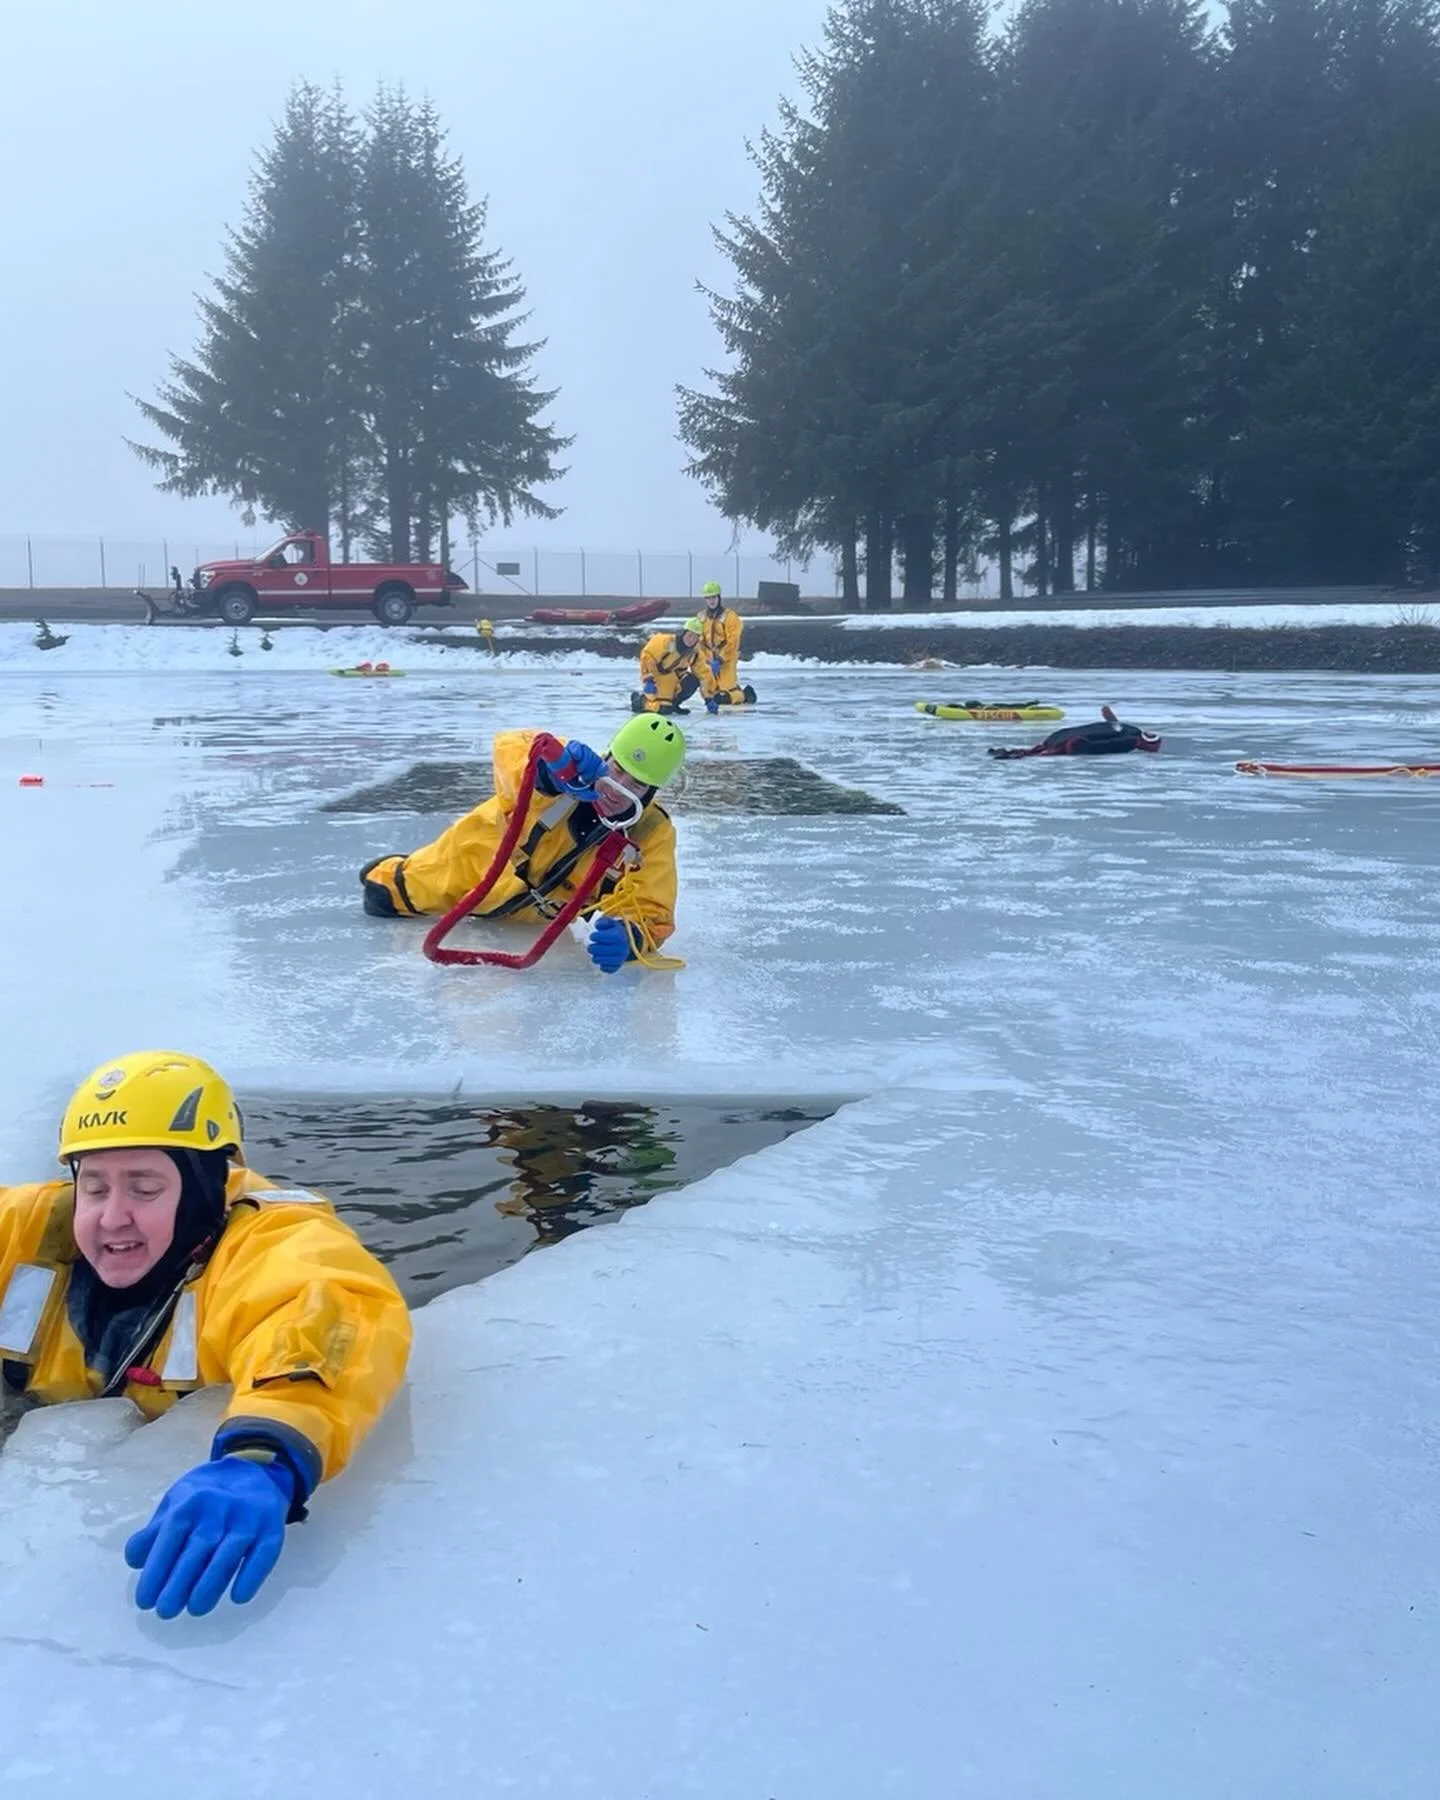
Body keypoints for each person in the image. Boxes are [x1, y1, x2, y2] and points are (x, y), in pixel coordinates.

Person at [0, 1051, 411, 1621]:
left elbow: (330, 1316)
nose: (112, 1217)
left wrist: (263, 1456)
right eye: (95, 1187)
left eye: (144, 1188)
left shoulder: (272, 1246)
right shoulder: (28, 1228)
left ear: (201, 1188)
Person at [360, 715, 684, 970]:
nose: (618, 787)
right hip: (472, 862)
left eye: (637, 784)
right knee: (385, 895)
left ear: (652, 792)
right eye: (617, 770)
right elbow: (511, 746)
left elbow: (652, 905)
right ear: (606, 757)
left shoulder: (650, 832)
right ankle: (393, 870)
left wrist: (633, 936)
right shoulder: (566, 766)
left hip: (526, 919)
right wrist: (546, 771)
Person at [988, 705, 1162, 760]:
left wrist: (1079, 745)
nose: (1150, 731)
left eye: (1152, 735)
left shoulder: (1132, 739)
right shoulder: (1130, 731)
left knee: (1037, 752)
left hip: (1070, 740)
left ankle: (1012, 754)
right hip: (1064, 737)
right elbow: (1113, 727)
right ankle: (1013, 753)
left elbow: (1107, 745)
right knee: (1037, 750)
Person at [696, 581, 756, 713]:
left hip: (726, 660)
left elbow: (733, 641)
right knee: (710, 693)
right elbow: (698, 640)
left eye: (714, 597)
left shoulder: (730, 616)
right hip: (709, 661)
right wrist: (706, 659)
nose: (711, 601)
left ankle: (745, 694)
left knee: (725, 696)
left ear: (719, 597)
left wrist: (721, 658)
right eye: (708, 598)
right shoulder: (701, 617)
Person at [632, 618, 702, 715]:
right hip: (656, 678)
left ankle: (674, 704)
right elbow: (647, 656)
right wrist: (648, 679)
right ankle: (640, 701)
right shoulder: (665, 641)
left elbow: (699, 671)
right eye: (689, 635)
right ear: (683, 633)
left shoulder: (693, 652)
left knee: (692, 681)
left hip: (672, 679)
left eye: (695, 638)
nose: (691, 640)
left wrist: (708, 698)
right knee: (664, 710)